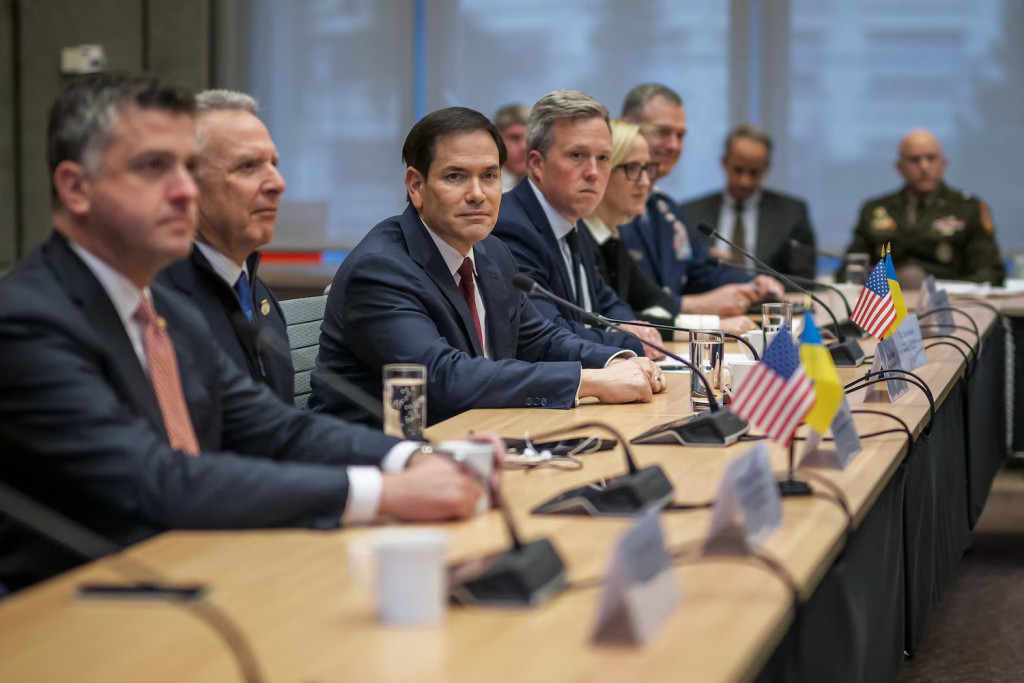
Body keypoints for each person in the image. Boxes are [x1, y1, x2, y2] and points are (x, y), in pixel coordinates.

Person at [0, 73, 485, 590]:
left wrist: (414, 457)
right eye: (154, 167)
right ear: (76, 189)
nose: (184, 191)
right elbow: (157, 481)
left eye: (187, 168)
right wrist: (383, 492)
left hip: (210, 569)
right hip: (79, 602)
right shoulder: (28, 321)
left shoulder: (164, 311)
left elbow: (277, 428)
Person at [308, 107, 665, 426]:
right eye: (456, 176)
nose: (478, 193)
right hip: (380, 457)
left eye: (490, 176)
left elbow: (540, 341)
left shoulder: (491, 252)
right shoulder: (381, 269)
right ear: (416, 186)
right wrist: (590, 381)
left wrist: (617, 360)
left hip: (479, 436)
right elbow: (442, 377)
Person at [490, 90, 665, 359]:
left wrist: (629, 326)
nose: (593, 172)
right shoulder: (511, 228)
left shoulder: (572, 220)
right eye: (577, 155)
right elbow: (546, 335)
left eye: (603, 158)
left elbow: (607, 301)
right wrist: (631, 342)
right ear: (536, 164)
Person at [158, 89, 293, 403]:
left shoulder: (258, 292)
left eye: (274, 164)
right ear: (187, 183)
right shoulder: (160, 302)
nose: (278, 183)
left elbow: (280, 420)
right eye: (248, 166)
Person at [617, 83, 782, 316]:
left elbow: (699, 270)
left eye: (680, 136)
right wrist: (694, 308)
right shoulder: (605, 207)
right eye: (663, 132)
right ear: (627, 128)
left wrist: (753, 285)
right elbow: (618, 301)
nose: (674, 145)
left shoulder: (666, 209)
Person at [581, 120, 755, 336]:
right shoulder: (581, 240)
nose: (645, 182)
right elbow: (612, 322)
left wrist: (708, 324)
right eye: (633, 169)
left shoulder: (611, 240)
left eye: (647, 169)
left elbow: (654, 301)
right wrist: (709, 328)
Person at [843, 129, 1004, 286]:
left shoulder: (969, 209)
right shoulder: (875, 210)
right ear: (900, 167)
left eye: (931, 158)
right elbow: (849, 272)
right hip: (888, 299)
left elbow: (990, 273)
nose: (924, 167)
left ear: (943, 164)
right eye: (915, 160)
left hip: (949, 299)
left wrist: (939, 289)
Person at [682, 124, 817, 280]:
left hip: (767, 294)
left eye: (754, 172)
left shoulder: (792, 215)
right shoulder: (689, 213)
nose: (744, 181)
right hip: (708, 293)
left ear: (766, 167)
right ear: (724, 163)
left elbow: (803, 279)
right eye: (738, 170)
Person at [493, 103, 530, 192]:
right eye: (515, 138)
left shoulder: (550, 186)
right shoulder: (482, 187)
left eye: (530, 138)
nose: (524, 147)